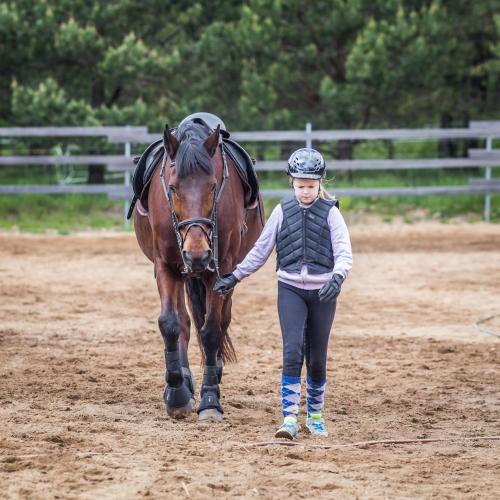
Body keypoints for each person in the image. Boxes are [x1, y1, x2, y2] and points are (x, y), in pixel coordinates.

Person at [214, 148, 353, 440]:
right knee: (292, 351)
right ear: (292, 182)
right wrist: (235, 276)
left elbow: (344, 252)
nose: (306, 191)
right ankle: (289, 417)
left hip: (322, 292)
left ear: (320, 183)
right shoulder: (281, 211)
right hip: (290, 288)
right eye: (301, 185)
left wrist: (337, 278)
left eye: (311, 186)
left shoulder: (332, 213)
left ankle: (315, 416)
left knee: (317, 357)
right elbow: (261, 250)